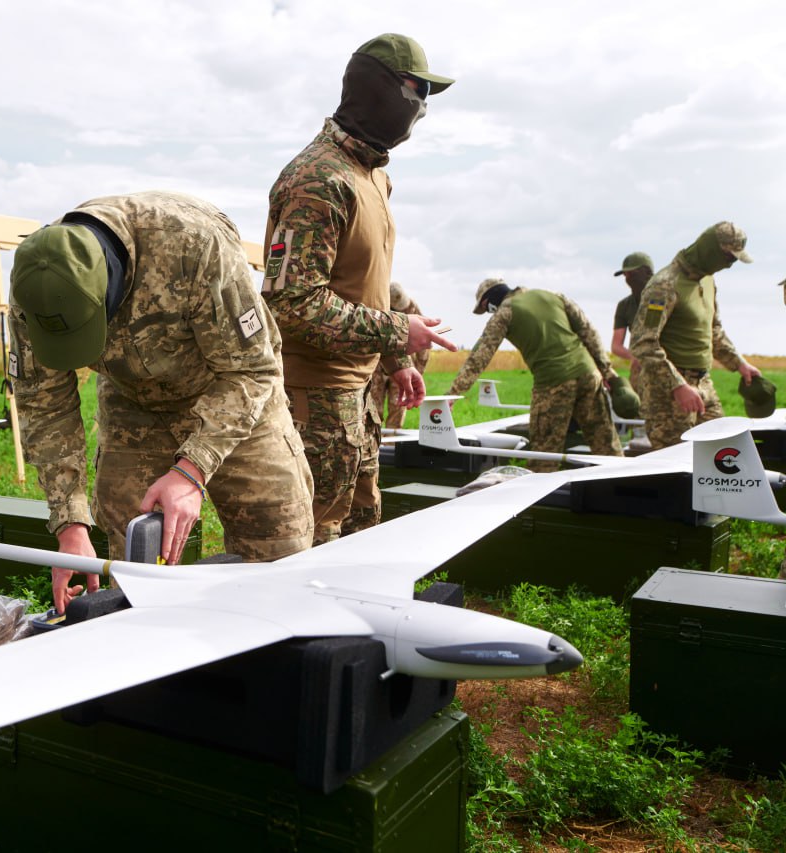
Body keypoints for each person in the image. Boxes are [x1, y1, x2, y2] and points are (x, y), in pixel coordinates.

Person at [8, 191, 314, 614]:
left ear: (111, 285)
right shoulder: (36, 290)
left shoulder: (194, 245)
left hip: (230, 390)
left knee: (280, 546)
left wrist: (191, 471)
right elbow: (44, 406)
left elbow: (252, 370)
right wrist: (70, 525)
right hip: (133, 403)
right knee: (135, 564)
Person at [262, 33, 456, 544]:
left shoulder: (373, 178)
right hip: (313, 409)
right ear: (380, 88)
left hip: (359, 403)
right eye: (417, 91)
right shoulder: (317, 180)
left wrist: (396, 359)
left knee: (359, 542)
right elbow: (292, 304)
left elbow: (364, 285)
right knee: (307, 550)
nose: (422, 107)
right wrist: (397, 329)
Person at [448, 279, 623, 472]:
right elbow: (589, 332)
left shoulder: (504, 313)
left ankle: (541, 488)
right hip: (589, 375)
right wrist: (607, 372)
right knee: (605, 443)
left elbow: (479, 356)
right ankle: (625, 480)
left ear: (487, 302)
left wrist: (453, 393)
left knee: (544, 453)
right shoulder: (553, 295)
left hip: (553, 383)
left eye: (486, 309)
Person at [630, 221, 761, 449]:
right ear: (711, 250)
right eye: (728, 258)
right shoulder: (664, 285)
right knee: (677, 461)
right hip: (668, 393)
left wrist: (739, 364)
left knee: (721, 451)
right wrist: (677, 386)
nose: (728, 266)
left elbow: (713, 330)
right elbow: (643, 342)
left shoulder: (708, 281)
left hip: (703, 384)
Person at [368, 282, 431, 428]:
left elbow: (424, 346)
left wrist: (418, 372)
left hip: (404, 368)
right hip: (377, 367)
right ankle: (374, 440)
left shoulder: (412, 308)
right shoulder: (377, 306)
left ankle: (392, 441)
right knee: (373, 410)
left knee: (398, 409)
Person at [610, 251, 654, 397]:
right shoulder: (625, 305)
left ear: (647, 273)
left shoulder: (666, 297)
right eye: (625, 275)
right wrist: (635, 356)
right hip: (639, 372)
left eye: (632, 274)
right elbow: (616, 346)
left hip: (670, 368)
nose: (628, 278)